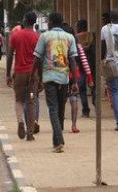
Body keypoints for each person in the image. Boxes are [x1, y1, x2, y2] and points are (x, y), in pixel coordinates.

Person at [30, 12, 78, 153]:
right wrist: (74, 81)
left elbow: (37, 59)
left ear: (50, 22)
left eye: (48, 21)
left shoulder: (44, 36)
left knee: (53, 109)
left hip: (49, 77)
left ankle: (58, 140)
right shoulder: (70, 37)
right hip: (64, 78)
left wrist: (35, 76)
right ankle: (58, 138)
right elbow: (73, 60)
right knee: (60, 109)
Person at [6, 11, 40, 141]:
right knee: (31, 101)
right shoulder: (37, 37)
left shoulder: (16, 35)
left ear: (25, 20)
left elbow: (9, 55)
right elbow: (40, 59)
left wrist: (8, 74)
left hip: (19, 74)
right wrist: (40, 78)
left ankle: (20, 121)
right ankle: (30, 133)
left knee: (19, 100)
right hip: (33, 75)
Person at [75, 19, 96, 117]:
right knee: (94, 87)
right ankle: (96, 105)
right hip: (92, 66)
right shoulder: (92, 36)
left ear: (79, 27)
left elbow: (75, 54)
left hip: (81, 67)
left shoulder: (76, 38)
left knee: (82, 90)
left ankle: (85, 111)